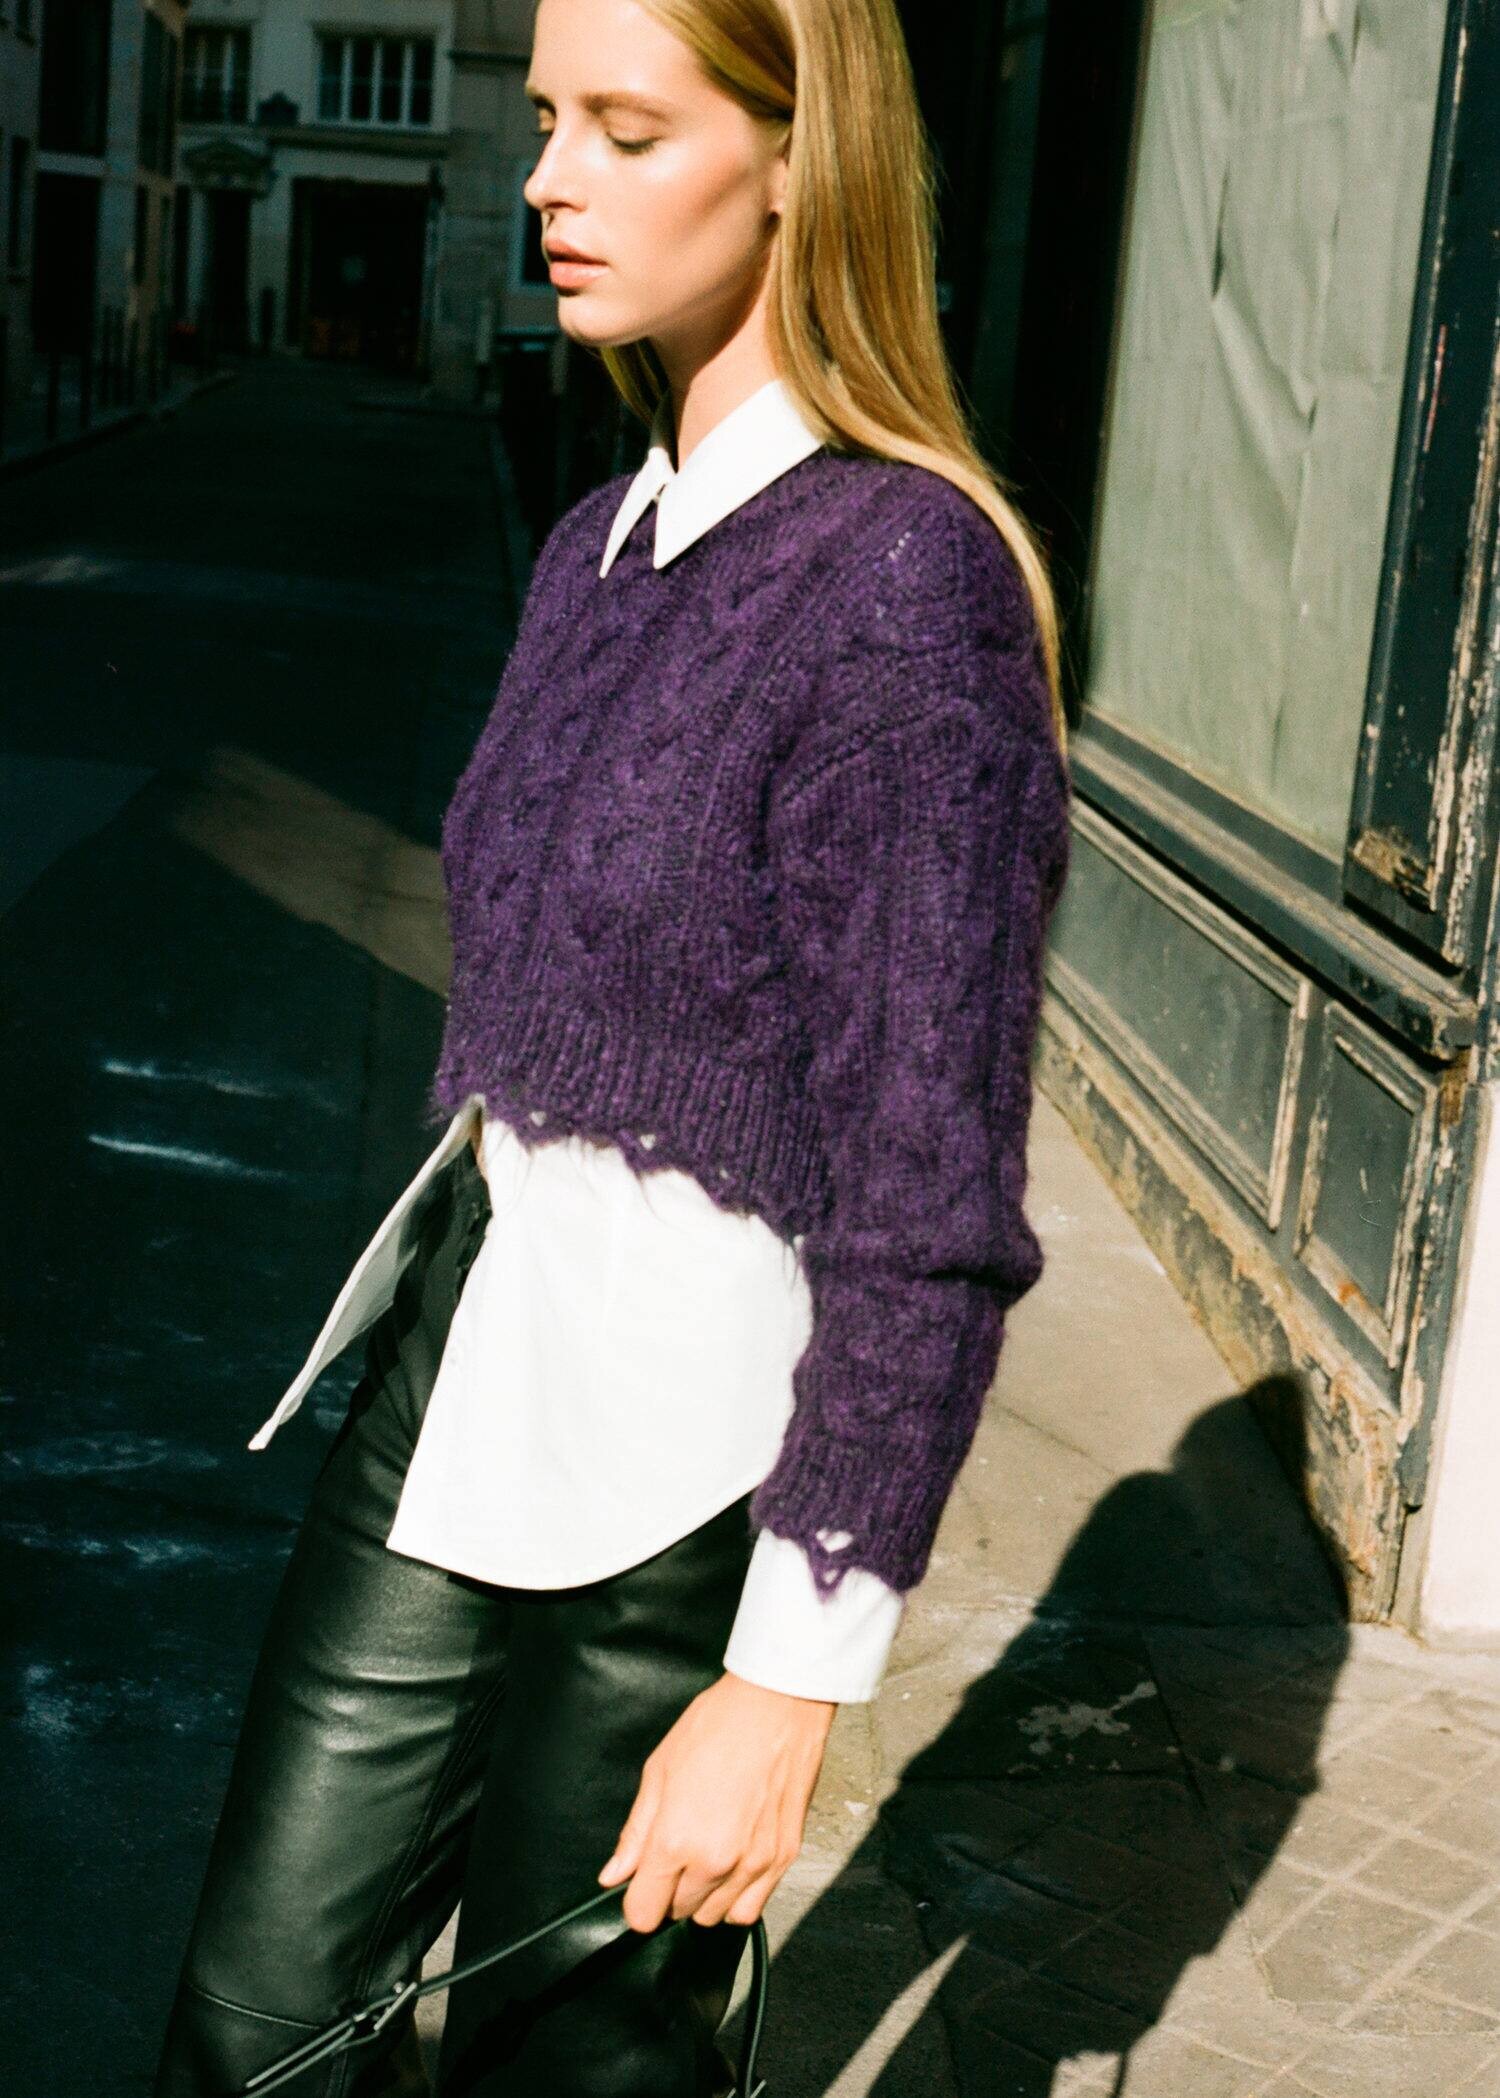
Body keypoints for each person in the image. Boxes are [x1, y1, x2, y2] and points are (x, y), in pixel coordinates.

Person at [151, 0, 1073, 2092]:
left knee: (568, 2072)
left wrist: (789, 1680)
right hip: (458, 1379)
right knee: (251, 2025)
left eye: (625, 131)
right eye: (551, 117)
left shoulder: (907, 588)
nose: (550, 177)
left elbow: (929, 1202)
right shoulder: (597, 541)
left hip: (687, 1479)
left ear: (798, 158)